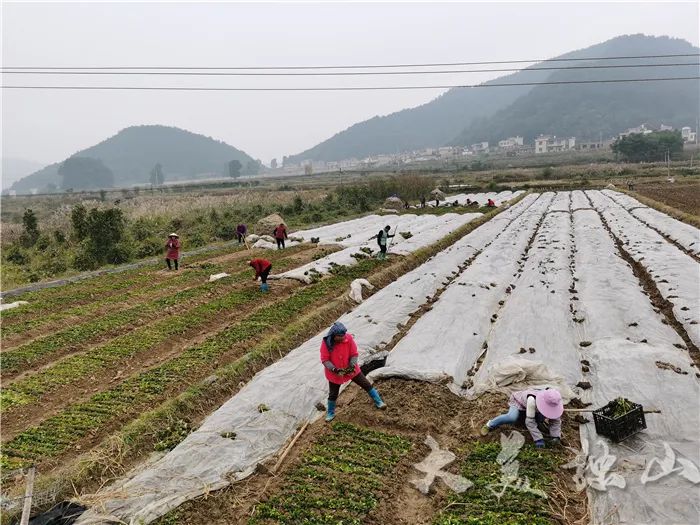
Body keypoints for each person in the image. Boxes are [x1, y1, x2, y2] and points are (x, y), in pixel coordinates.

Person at [320, 322, 386, 422]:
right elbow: (325, 359)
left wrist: (352, 364)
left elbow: (354, 354)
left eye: (343, 336)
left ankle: (379, 402)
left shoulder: (348, 339)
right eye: (339, 336)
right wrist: (334, 369)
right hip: (335, 372)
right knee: (333, 394)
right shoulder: (326, 343)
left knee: (366, 384)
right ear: (334, 335)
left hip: (350, 369)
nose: (342, 338)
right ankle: (330, 413)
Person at [480, 388, 564, 448]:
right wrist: (538, 439)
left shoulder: (555, 401)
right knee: (512, 417)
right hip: (519, 403)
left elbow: (556, 420)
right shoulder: (532, 400)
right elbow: (529, 422)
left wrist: (555, 436)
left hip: (534, 409)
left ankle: (538, 422)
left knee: (540, 419)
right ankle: (489, 424)